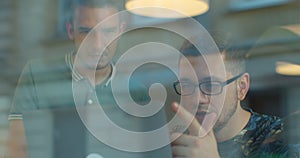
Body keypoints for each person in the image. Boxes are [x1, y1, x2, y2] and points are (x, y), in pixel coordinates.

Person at [7, 1, 150, 157]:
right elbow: (18, 150)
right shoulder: (37, 76)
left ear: (120, 31)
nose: (97, 44)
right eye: (86, 31)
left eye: (108, 31)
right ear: (70, 30)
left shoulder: (136, 91)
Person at [170, 37, 300, 157]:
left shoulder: (281, 139)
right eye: (186, 85)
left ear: (242, 87)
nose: (198, 99)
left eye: (211, 85)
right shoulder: (176, 144)